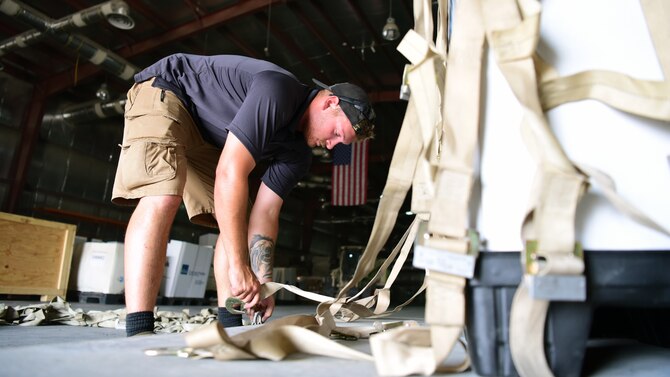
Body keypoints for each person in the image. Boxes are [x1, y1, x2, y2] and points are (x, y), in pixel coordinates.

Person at [110, 53, 376, 336]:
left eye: (340, 143)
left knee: (236, 218)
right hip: (169, 91)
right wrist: (239, 266)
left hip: (209, 137)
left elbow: (266, 212)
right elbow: (230, 172)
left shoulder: (297, 155)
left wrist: (264, 281)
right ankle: (139, 327)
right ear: (330, 102)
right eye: (337, 133)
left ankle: (231, 322)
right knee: (163, 195)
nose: (332, 146)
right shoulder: (279, 90)